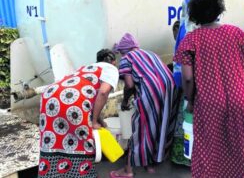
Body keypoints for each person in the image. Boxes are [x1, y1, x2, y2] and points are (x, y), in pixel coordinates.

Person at [174, 0, 244, 177]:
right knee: (242, 149)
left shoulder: (191, 40)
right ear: (219, 10)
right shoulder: (236, 33)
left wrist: (190, 101)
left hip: (210, 103)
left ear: (194, 14)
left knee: (210, 150)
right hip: (242, 99)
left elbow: (188, 78)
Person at [38, 49, 119, 178]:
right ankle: (85, 175)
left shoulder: (86, 68)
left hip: (50, 96)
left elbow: (90, 96)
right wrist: (93, 122)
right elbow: (103, 92)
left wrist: (99, 119)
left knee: (55, 139)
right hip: (72, 101)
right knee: (83, 143)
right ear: (113, 62)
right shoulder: (111, 69)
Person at [111, 33, 176, 178]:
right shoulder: (150, 53)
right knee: (159, 125)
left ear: (124, 51)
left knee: (140, 128)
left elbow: (129, 84)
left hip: (152, 90)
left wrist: (125, 100)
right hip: (170, 88)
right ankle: (150, 164)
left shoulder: (127, 58)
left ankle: (128, 170)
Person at [171, 0, 195, 167]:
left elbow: (184, 69)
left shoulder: (186, 30)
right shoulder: (205, 28)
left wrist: (189, 96)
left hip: (187, 85)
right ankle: (197, 160)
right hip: (203, 86)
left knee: (185, 119)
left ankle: (183, 157)